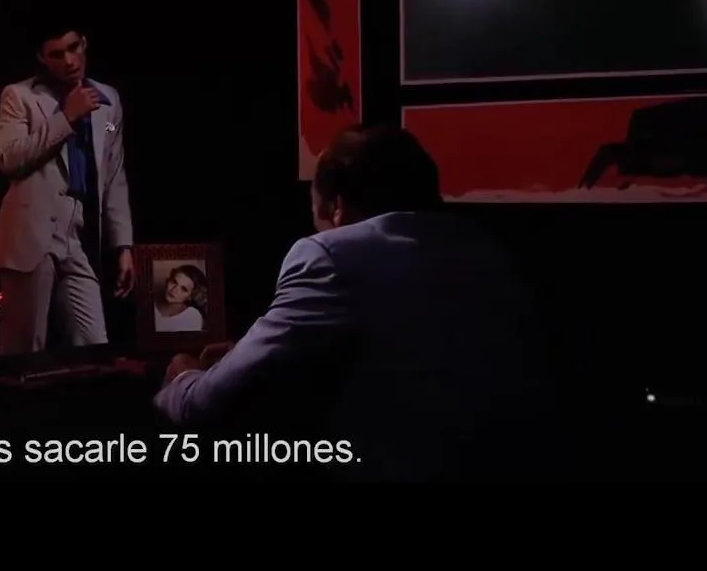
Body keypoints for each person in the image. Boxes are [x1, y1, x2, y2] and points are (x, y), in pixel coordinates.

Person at [153, 125, 558, 481]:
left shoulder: (329, 255)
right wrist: (251, 353)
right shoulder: (488, 250)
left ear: (336, 205)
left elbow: (205, 407)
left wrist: (183, 376)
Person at [0, 20, 135, 354]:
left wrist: (123, 245)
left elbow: (115, 175)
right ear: (42, 58)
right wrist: (66, 118)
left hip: (78, 233)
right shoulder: (20, 96)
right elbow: (7, 159)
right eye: (56, 54)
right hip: (31, 232)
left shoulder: (108, 99)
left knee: (95, 344)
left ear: (84, 43)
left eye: (73, 48)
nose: (68, 61)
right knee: (24, 352)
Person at [154, 264, 207, 333]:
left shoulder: (192, 316)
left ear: (190, 296)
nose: (174, 290)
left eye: (184, 289)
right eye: (174, 282)